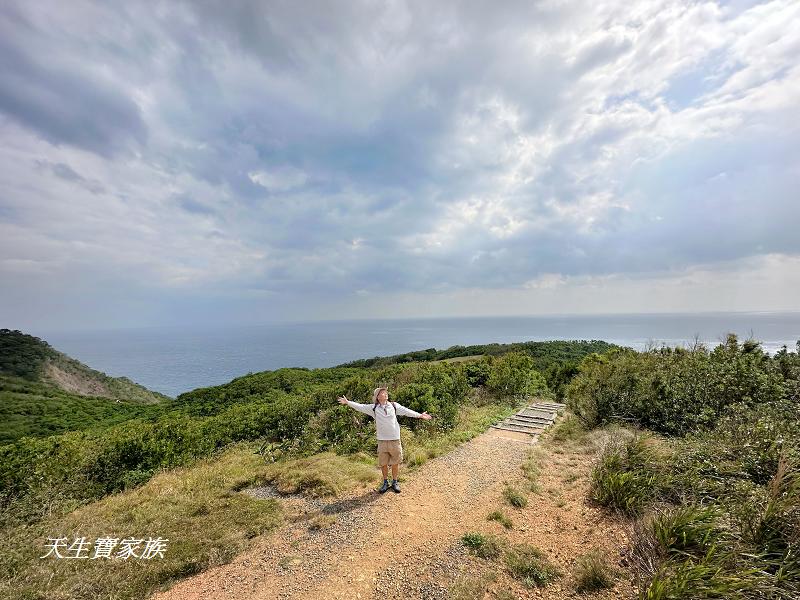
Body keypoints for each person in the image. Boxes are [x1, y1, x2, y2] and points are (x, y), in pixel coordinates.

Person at [337, 386, 433, 493]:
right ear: (378, 397)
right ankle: (385, 482)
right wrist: (348, 402)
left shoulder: (394, 406)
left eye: (385, 392)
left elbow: (406, 411)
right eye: (382, 392)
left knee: (395, 462)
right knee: (383, 463)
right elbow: (361, 407)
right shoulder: (373, 408)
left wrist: (420, 415)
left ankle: (395, 482)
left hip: (395, 439)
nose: (385, 393)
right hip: (382, 440)